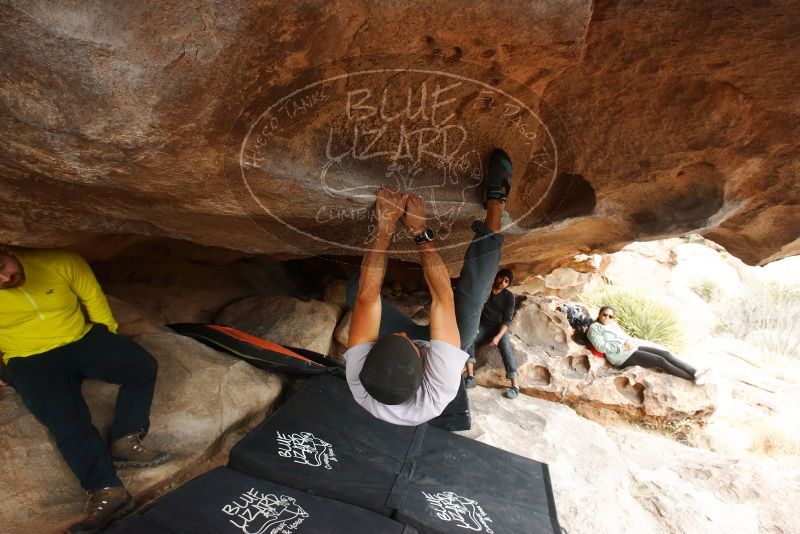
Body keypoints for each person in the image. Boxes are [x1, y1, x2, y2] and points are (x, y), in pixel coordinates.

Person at [0, 246, 168, 533]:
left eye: (2, 267)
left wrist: (108, 338)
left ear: (7, 250)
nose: (4, 279)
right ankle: (107, 489)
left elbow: (93, 299)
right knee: (64, 418)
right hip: (29, 357)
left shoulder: (60, 261)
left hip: (79, 337)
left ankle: (125, 439)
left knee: (141, 366)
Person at [345, 149, 513, 425]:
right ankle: (496, 202)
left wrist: (385, 226)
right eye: (407, 340)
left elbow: (366, 297)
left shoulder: (360, 376)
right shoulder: (440, 384)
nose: (403, 333)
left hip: (399, 358)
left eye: (395, 336)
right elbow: (443, 298)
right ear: (423, 366)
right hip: (443, 349)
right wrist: (419, 231)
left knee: (355, 291)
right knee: (472, 296)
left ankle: (395, 340)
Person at [587, 305, 711, 384]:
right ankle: (692, 378)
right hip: (622, 357)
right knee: (660, 361)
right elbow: (600, 347)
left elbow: (623, 336)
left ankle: (695, 371)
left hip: (630, 349)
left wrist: (629, 342)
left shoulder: (612, 324)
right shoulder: (595, 328)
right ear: (599, 314)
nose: (607, 318)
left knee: (665, 354)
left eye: (610, 316)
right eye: (605, 315)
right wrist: (621, 346)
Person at [464, 268, 520, 399]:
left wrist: (498, 337)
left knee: (505, 346)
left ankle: (515, 386)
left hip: (498, 327)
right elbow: (475, 308)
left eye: (506, 281)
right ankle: (470, 377)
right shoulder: (485, 290)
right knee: (469, 335)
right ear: (495, 276)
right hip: (482, 325)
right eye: (501, 278)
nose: (502, 282)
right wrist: (474, 326)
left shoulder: (509, 297)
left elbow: (507, 320)